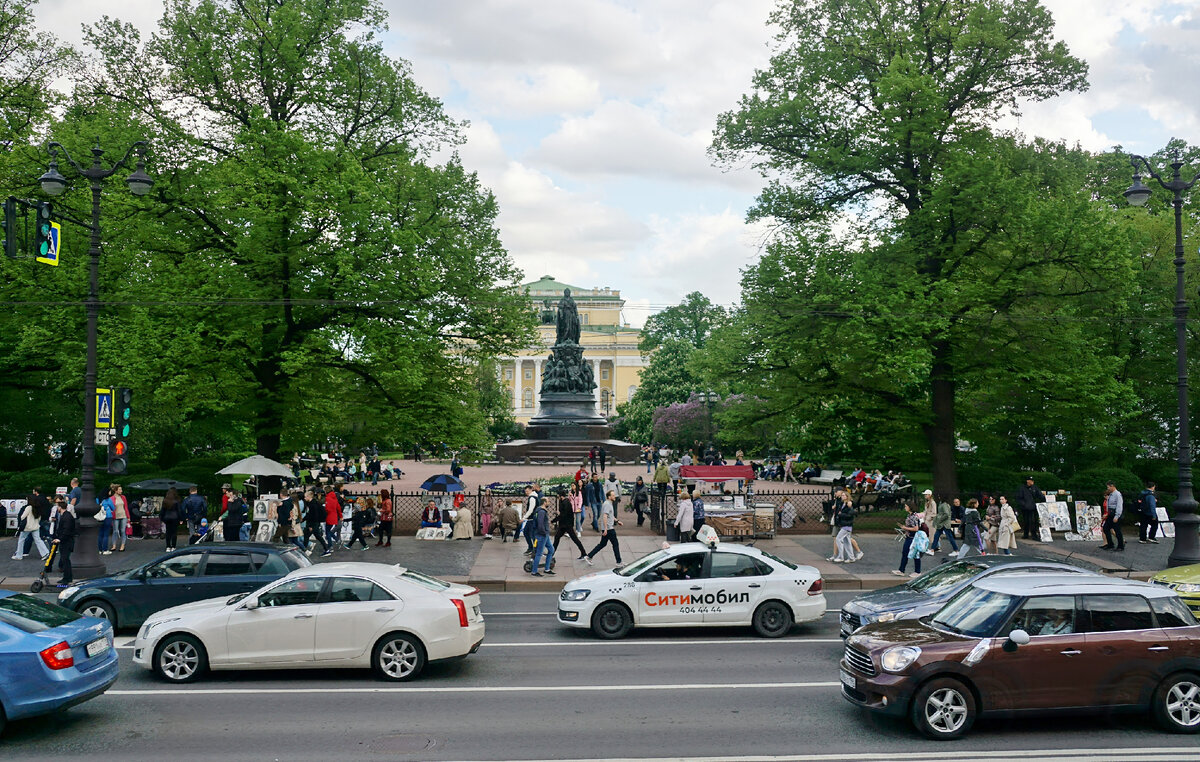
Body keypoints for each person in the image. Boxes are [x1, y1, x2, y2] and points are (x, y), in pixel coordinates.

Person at [585, 490, 622, 566]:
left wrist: (617, 521)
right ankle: (619, 562)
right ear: (609, 497)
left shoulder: (608, 503)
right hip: (609, 528)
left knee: (602, 544)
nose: (614, 496)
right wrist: (605, 529)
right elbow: (605, 516)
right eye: (613, 495)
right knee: (615, 544)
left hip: (607, 528)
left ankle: (589, 556)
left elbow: (610, 515)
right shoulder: (607, 504)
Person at [892, 503, 925, 577]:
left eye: (906, 506)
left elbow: (916, 528)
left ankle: (917, 571)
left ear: (910, 507)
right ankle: (901, 570)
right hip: (909, 536)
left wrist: (905, 528)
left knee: (915, 554)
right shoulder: (910, 515)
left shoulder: (914, 517)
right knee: (905, 553)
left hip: (913, 538)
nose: (905, 507)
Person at [553, 490, 587, 559]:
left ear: (560, 496)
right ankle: (552, 553)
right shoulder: (561, 501)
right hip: (563, 525)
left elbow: (564, 514)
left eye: (558, 496)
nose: (557, 497)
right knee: (557, 537)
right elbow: (562, 513)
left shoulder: (566, 503)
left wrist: (554, 520)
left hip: (567, 525)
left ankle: (584, 553)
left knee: (575, 539)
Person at [52, 499, 77, 586]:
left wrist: (60, 539)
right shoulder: (66, 515)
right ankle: (67, 577)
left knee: (65, 560)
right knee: (65, 560)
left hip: (66, 542)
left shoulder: (66, 517)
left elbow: (66, 530)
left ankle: (67, 578)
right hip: (66, 541)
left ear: (60, 507)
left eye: (57, 507)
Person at [529, 495, 555, 576]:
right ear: (544, 503)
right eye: (548, 501)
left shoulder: (540, 510)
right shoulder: (541, 512)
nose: (549, 502)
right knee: (539, 553)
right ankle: (534, 571)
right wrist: (543, 532)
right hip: (542, 535)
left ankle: (547, 569)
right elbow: (540, 524)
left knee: (551, 550)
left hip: (544, 534)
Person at [1017, 475, 1045, 541]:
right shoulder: (1022, 488)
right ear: (1027, 481)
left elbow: (1040, 495)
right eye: (1030, 480)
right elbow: (1019, 498)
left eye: (1032, 480)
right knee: (1026, 521)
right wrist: (1024, 505)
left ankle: (1034, 535)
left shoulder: (1035, 488)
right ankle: (1025, 534)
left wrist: (1047, 499)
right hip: (1025, 508)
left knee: (1033, 521)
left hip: (1033, 507)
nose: (1032, 482)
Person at [830, 493, 856, 563]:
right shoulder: (842, 504)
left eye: (844, 495)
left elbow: (850, 514)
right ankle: (851, 557)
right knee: (847, 541)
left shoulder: (848, 504)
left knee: (838, 539)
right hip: (844, 525)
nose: (842, 496)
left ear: (847, 497)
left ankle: (841, 556)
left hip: (847, 525)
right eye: (842, 495)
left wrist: (841, 514)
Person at [1100, 481, 1125, 551]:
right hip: (1110, 514)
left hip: (1115, 514)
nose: (1108, 489)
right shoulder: (1110, 494)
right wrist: (1107, 514)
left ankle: (1121, 546)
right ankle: (1110, 544)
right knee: (1105, 528)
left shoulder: (1117, 494)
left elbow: (1119, 506)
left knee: (1117, 530)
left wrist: (1117, 516)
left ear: (1112, 486)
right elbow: (1108, 505)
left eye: (1108, 487)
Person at [303, 490, 328, 555]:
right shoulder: (314, 503)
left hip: (313, 523)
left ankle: (304, 551)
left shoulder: (312, 505)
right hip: (315, 522)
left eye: (305, 497)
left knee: (306, 536)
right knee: (317, 536)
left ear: (308, 497)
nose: (304, 498)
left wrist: (310, 525)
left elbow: (313, 515)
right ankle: (326, 549)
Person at [324, 487, 344, 555]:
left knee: (328, 532)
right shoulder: (334, 498)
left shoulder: (327, 498)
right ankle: (337, 540)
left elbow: (327, 509)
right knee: (329, 531)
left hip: (329, 517)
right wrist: (341, 516)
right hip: (334, 517)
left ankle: (330, 546)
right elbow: (338, 508)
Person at [97, 487, 115, 555]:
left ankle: (100, 550)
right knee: (106, 534)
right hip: (107, 517)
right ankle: (105, 550)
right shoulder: (108, 499)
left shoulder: (98, 499)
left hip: (99, 518)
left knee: (100, 534)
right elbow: (113, 508)